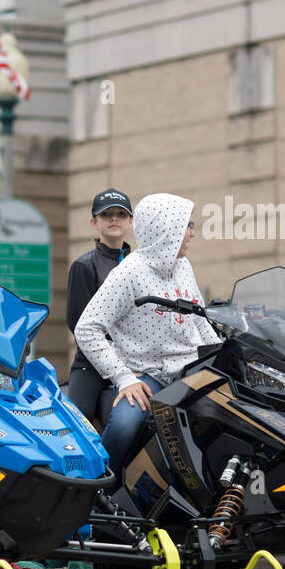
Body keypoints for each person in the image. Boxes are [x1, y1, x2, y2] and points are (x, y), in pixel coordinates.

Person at [75, 193, 220, 487]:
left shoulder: (183, 266)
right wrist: (124, 378)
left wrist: (223, 354)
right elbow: (86, 329)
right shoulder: (127, 273)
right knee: (126, 425)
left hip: (190, 373)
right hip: (149, 376)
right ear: (166, 229)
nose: (192, 232)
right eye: (187, 225)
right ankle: (98, 496)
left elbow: (200, 321)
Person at [66, 189, 134, 425]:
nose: (114, 219)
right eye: (106, 215)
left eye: (120, 214)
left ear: (130, 221)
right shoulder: (83, 265)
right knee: (77, 421)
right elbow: (76, 322)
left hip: (136, 360)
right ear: (94, 222)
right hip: (92, 364)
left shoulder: (141, 265)